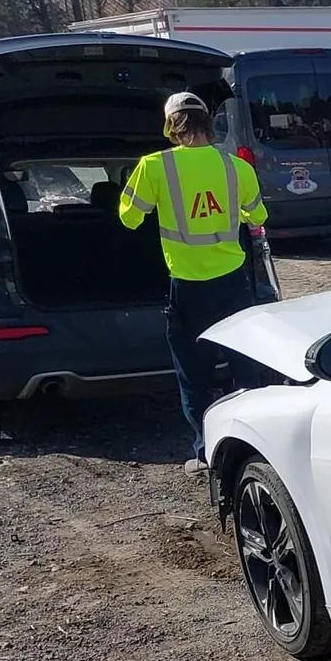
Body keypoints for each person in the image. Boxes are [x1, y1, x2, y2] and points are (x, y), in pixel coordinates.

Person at [118, 91, 272, 470]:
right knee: (244, 365)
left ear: (171, 125)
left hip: (188, 288)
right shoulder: (236, 167)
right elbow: (257, 216)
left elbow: (129, 218)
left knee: (193, 374)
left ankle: (205, 452)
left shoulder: (155, 166)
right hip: (234, 284)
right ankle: (259, 446)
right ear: (207, 122)